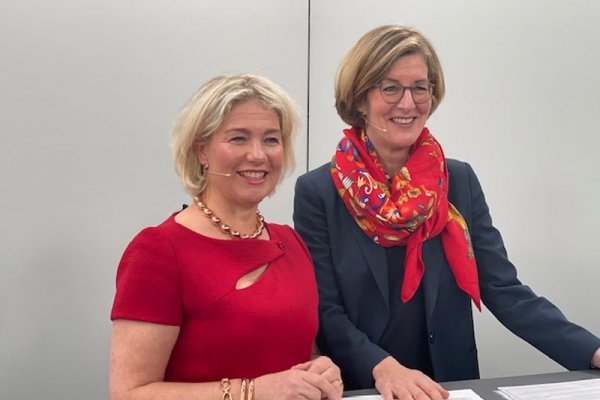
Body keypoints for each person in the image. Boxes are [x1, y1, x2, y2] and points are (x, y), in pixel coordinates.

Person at [293, 25, 600, 400]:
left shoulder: (457, 180)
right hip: (366, 386)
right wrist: (382, 366)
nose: (408, 103)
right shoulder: (319, 192)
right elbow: (326, 310)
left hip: (451, 386)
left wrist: (592, 350)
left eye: (419, 88)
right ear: (359, 99)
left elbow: (503, 290)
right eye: (390, 88)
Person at [110, 74, 343, 400]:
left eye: (271, 139)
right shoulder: (159, 251)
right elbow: (129, 393)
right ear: (201, 150)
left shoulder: (291, 243)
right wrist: (254, 392)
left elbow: (295, 355)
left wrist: (321, 370)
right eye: (238, 138)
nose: (258, 155)